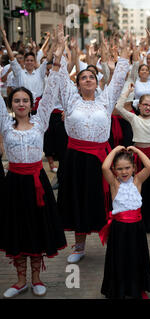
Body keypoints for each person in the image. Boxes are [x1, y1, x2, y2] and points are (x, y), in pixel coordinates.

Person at [50, 24, 131, 263]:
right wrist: (59, 48)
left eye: (91, 77)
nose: (87, 79)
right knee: (77, 199)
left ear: (97, 82)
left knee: (107, 200)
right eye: (83, 77)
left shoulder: (106, 100)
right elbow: (61, 76)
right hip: (75, 158)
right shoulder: (71, 99)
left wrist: (125, 52)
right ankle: (79, 246)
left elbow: (118, 78)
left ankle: (114, 242)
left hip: (101, 159)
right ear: (78, 84)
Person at [0, 82, 66, 298]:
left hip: (37, 181)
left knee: (37, 228)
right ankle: (20, 281)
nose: (21, 104)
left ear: (31, 104)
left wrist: (56, 65)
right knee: (17, 229)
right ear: (11, 104)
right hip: (14, 184)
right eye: (17, 100)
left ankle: (37, 278)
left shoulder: (40, 122)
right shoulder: (5, 124)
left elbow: (49, 95)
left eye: (25, 100)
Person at [99, 145, 150, 299]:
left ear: (134, 168)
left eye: (127, 168)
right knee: (120, 259)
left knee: (137, 258)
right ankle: (119, 288)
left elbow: (149, 165)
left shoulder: (137, 181)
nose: (123, 172)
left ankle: (138, 288)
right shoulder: (114, 184)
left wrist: (137, 151)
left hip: (137, 228)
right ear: (115, 170)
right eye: (119, 169)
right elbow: (105, 167)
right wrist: (115, 150)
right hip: (120, 229)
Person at [114, 81, 150, 233]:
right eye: (145, 104)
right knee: (141, 190)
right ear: (138, 106)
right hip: (138, 159)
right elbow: (119, 107)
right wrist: (127, 92)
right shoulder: (134, 118)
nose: (147, 107)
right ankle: (140, 220)